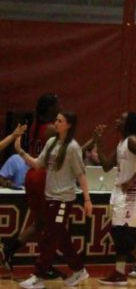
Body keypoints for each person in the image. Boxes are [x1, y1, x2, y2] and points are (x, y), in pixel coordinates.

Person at [14, 112, 91, 289]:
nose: (55, 122)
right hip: (50, 198)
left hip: (63, 200)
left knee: (50, 237)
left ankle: (38, 276)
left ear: (69, 125)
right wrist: (21, 152)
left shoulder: (72, 147)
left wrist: (87, 199)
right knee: (60, 237)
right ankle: (79, 270)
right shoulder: (51, 143)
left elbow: (81, 174)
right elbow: (37, 164)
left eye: (59, 120)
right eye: (56, 119)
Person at [94, 112, 136, 285]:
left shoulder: (133, 141)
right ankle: (120, 272)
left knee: (119, 231)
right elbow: (106, 166)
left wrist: (132, 179)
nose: (116, 120)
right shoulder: (122, 142)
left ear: (128, 123)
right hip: (120, 189)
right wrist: (98, 143)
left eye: (121, 118)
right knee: (119, 232)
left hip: (132, 190)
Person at [2, 95, 61, 275]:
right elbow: (62, 155)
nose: (59, 108)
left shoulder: (36, 125)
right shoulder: (52, 128)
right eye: (57, 105)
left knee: (40, 223)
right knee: (52, 224)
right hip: (43, 176)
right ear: (49, 108)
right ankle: (44, 266)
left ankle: (10, 249)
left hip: (32, 176)